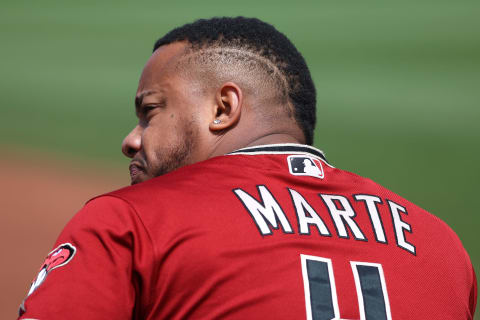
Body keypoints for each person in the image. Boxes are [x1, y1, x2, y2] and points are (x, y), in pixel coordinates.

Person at [18, 17, 476, 320]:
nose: (131, 139)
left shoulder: (132, 220)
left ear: (224, 107)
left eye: (150, 111)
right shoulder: (443, 248)